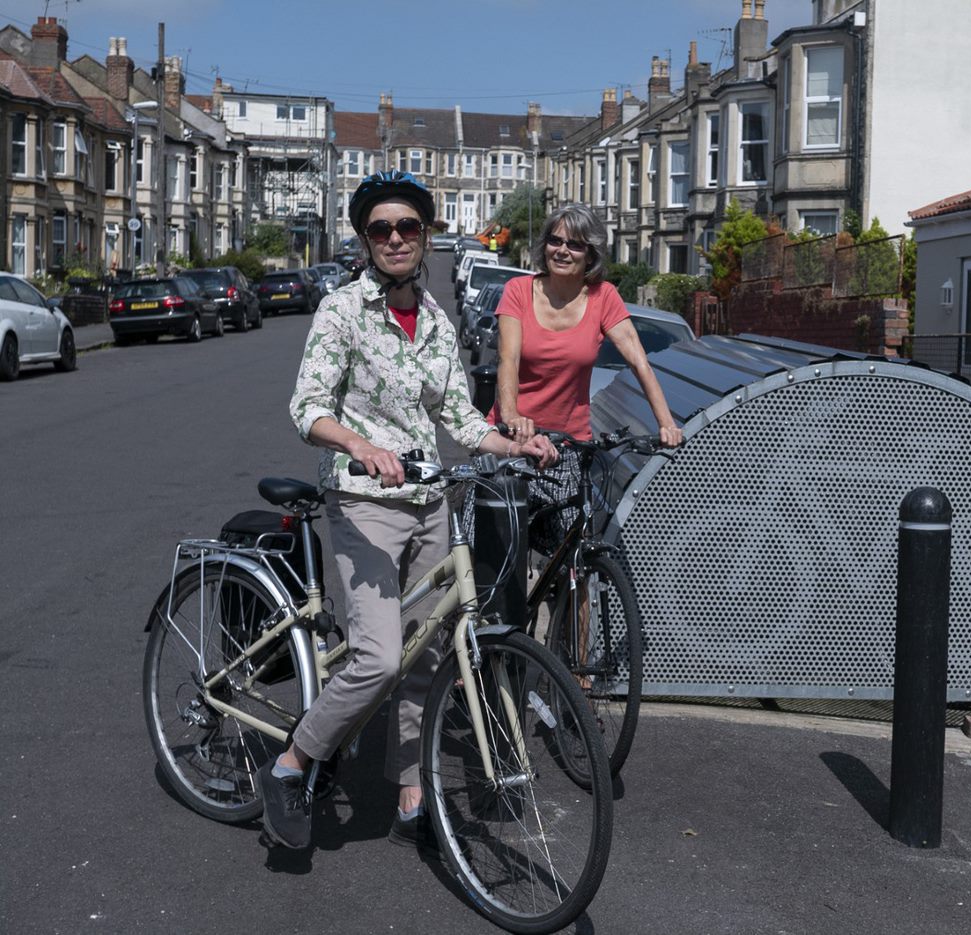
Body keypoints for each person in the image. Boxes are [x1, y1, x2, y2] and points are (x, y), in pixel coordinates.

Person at [266, 170, 556, 851]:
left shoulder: (435, 320)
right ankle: (291, 762)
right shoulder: (340, 310)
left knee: (428, 652)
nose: (395, 239)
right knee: (379, 658)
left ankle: (410, 788)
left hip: (429, 502)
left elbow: (459, 416)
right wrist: (358, 443)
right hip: (365, 502)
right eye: (381, 229)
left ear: (426, 238)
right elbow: (307, 406)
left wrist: (515, 438)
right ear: (366, 241)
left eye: (408, 228)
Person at [494, 204, 683, 549]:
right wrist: (511, 417)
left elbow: (639, 361)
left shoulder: (603, 296)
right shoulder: (519, 291)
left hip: (567, 445)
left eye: (575, 244)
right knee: (496, 556)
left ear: (590, 253)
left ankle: (573, 602)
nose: (562, 250)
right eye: (555, 240)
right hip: (513, 440)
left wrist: (666, 423)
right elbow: (508, 358)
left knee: (575, 558)